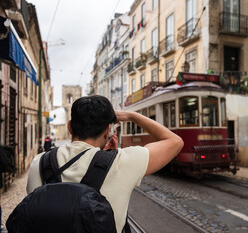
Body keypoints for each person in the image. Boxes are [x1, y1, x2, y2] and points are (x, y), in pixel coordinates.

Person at [26, 95, 184, 232]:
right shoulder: (121, 162)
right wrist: (131, 116)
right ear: (108, 130)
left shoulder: (39, 162)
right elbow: (175, 142)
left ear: (70, 127)